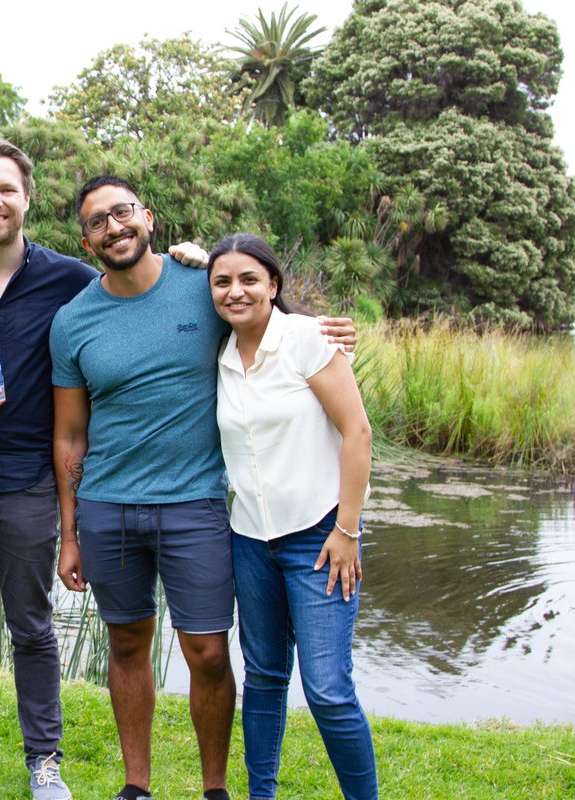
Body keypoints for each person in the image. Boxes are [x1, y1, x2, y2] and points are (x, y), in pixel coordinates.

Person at [0, 138, 206, 800]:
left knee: (32, 629)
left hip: (27, 486)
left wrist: (191, 259)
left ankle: (44, 761)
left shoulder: (70, 279)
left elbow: (137, 280)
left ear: (27, 198)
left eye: (7, 189)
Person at [50, 176, 356, 800]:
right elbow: (70, 435)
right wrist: (70, 532)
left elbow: (264, 314)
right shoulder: (72, 320)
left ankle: (215, 788)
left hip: (196, 506)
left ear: (147, 217)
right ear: (86, 241)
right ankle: (137, 785)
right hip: (108, 506)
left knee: (210, 653)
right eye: (97, 222)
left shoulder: (202, 285)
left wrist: (325, 334)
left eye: (122, 212)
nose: (113, 227)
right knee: (126, 643)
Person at [207, 233, 376, 800]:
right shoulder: (220, 354)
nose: (236, 291)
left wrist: (347, 529)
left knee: (328, 690)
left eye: (249, 280)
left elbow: (358, 433)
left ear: (274, 284)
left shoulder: (307, 338)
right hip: (250, 540)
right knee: (264, 677)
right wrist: (192, 255)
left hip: (320, 537)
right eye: (222, 282)